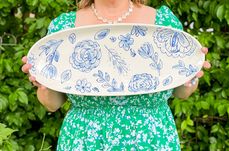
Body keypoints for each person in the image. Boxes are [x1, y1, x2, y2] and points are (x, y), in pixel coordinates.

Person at [22, 0, 211, 150]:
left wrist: (191, 73)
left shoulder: (163, 24)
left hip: (152, 140)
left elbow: (181, 93)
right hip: (84, 141)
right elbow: (52, 103)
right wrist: (42, 83)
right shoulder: (64, 29)